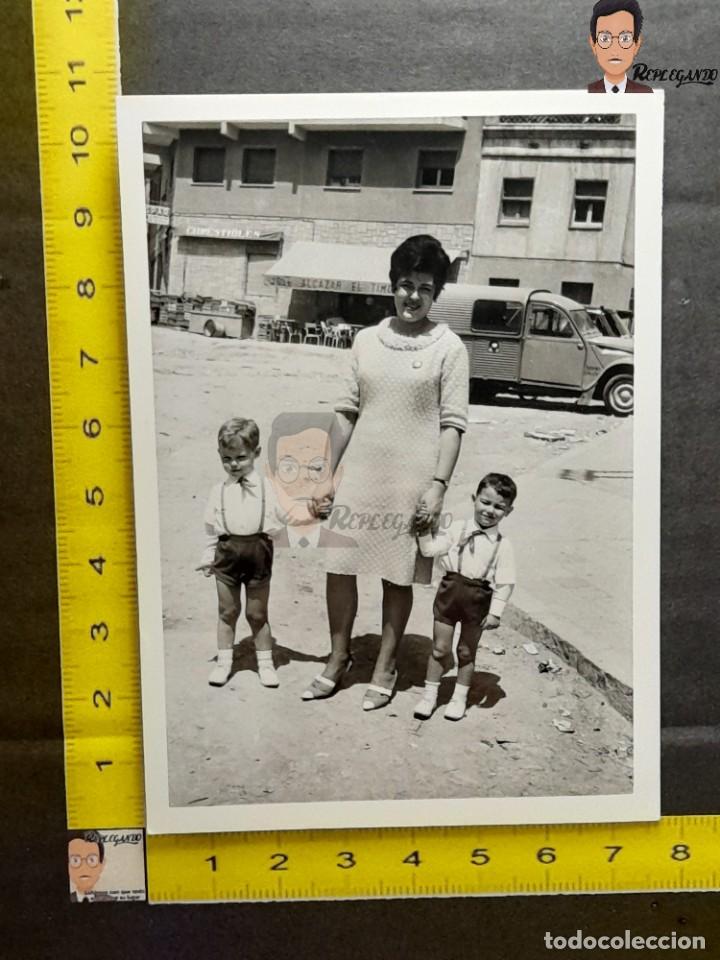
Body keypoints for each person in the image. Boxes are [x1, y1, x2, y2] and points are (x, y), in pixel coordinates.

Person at [302, 234, 469, 710]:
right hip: (360, 475)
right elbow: (345, 413)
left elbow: (453, 426)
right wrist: (325, 475)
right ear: (391, 286)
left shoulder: (449, 348)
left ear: (436, 292)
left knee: (397, 576)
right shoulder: (365, 340)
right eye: (404, 284)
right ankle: (337, 660)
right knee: (340, 566)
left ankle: (386, 667)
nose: (412, 296)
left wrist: (437, 487)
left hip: (412, 481)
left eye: (424, 287)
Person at [414, 473, 517, 722]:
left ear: (508, 511)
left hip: (478, 600)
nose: (490, 510)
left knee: (466, 651)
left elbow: (505, 582)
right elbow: (429, 550)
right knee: (439, 648)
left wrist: (496, 612)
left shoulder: (503, 546)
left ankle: (459, 698)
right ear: (474, 499)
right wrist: (423, 529)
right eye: (485, 502)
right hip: (449, 594)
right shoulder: (456, 529)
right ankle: (430, 695)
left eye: (499, 507)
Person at [197, 418, 278, 688]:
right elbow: (211, 528)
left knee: (257, 614)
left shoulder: (268, 488)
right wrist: (208, 558)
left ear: (255, 454)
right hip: (227, 555)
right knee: (227, 611)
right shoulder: (218, 491)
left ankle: (265, 664)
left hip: (258, 554)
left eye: (241, 457)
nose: (234, 464)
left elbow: (281, 520)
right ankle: (224, 663)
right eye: (227, 458)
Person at [264, 411, 358, 551]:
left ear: (337, 476)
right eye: (289, 469)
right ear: (271, 475)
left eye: (317, 468)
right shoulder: (262, 548)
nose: (303, 478)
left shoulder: (346, 548)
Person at [587, 0, 653, 92]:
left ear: (637, 44)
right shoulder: (586, 93)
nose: (615, 50)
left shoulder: (646, 94)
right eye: (605, 39)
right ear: (593, 44)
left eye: (625, 39)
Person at [68, 831, 114, 902]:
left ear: (102, 865)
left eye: (92, 860)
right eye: (75, 860)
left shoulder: (110, 900)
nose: (84, 867)